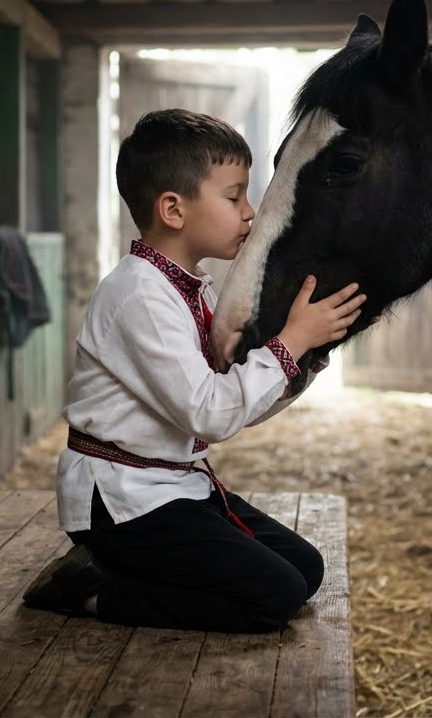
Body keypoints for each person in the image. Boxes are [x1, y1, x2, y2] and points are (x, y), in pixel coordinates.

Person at [22, 108, 364, 633]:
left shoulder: (188, 287)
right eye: (235, 196)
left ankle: (127, 575)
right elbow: (211, 414)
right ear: (174, 210)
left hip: (174, 489)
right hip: (122, 506)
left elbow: (235, 404)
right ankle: (97, 590)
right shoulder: (138, 295)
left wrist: (308, 355)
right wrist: (290, 341)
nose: (250, 213)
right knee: (275, 597)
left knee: (306, 570)